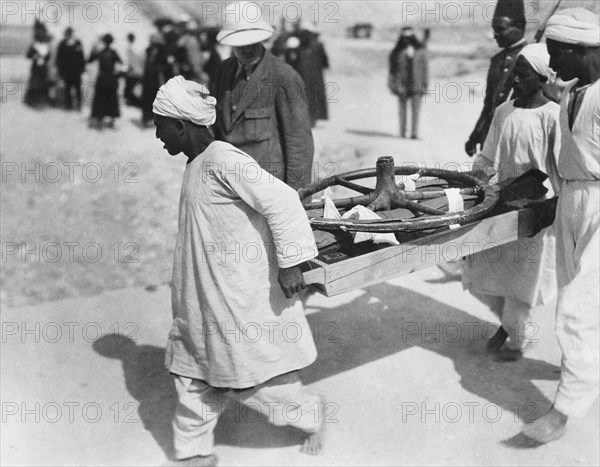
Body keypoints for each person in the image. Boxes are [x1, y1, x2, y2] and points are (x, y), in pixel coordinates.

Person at [152, 76, 325, 466]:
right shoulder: (198, 163)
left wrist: (290, 263)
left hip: (234, 295)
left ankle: (312, 416)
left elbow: (282, 201)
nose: (157, 135)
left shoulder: (223, 160)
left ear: (180, 125)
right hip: (203, 294)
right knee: (193, 369)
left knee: (252, 380)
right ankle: (195, 452)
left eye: (159, 126)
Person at [519, 7, 600, 445]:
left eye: (557, 54)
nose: (552, 64)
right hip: (573, 199)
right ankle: (583, 373)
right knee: (578, 299)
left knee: (577, 308)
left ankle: (563, 410)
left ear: (584, 50)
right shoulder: (574, 91)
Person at [463, 44, 561, 362]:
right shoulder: (504, 111)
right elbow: (488, 154)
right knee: (485, 270)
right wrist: (479, 174)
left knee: (523, 279)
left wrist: (556, 207)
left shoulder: (553, 116)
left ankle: (517, 338)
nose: (515, 80)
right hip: (503, 201)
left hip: (537, 209)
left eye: (523, 74)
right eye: (514, 73)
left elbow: (561, 169)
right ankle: (510, 324)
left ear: (543, 76)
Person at [213, 1, 314, 191]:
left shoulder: (283, 76)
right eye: (240, 44)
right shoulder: (224, 71)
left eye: (252, 41)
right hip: (229, 186)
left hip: (268, 189)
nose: (247, 49)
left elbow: (299, 145)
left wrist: (297, 198)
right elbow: (217, 130)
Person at [465, 0, 527, 156]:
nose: (495, 35)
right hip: (490, 138)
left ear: (519, 27)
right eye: (494, 29)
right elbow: (489, 105)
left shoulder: (533, 59)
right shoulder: (497, 60)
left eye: (501, 29)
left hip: (517, 141)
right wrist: (475, 135)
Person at [283, 21, 330, 127]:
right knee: (312, 97)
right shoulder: (317, 45)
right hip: (314, 76)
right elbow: (325, 62)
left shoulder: (299, 45)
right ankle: (311, 119)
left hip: (304, 75)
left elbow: (291, 60)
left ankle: (306, 119)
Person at [388, 26, 429, 139]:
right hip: (402, 84)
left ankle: (414, 133)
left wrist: (425, 84)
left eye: (409, 37)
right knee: (402, 110)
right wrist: (392, 85)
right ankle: (402, 133)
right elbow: (392, 70)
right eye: (404, 37)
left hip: (417, 84)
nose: (407, 40)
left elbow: (425, 69)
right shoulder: (396, 52)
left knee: (416, 111)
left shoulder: (420, 51)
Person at [88, 33, 122, 129]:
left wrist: (94, 47)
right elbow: (121, 63)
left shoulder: (100, 52)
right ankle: (112, 120)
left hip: (102, 77)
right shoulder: (113, 52)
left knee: (100, 99)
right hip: (111, 77)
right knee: (112, 99)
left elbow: (90, 60)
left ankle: (100, 120)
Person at [141, 33, 169, 127]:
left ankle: (151, 118)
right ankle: (147, 118)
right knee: (149, 98)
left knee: (152, 98)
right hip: (151, 78)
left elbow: (164, 65)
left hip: (154, 78)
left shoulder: (160, 51)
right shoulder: (150, 51)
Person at [56, 26, 86, 110]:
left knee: (77, 88)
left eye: (70, 33)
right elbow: (59, 59)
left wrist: (83, 69)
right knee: (67, 88)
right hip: (66, 71)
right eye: (67, 33)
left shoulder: (78, 43)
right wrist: (60, 72)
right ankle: (68, 105)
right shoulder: (62, 44)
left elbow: (82, 57)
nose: (69, 35)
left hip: (76, 71)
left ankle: (78, 105)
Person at [24, 20, 52, 108]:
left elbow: (48, 57)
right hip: (36, 68)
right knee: (35, 84)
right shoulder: (34, 45)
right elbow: (28, 55)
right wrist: (35, 56)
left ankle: (43, 101)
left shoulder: (46, 46)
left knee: (43, 84)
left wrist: (44, 59)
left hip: (43, 68)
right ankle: (32, 102)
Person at [123, 33, 144, 107]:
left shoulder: (130, 48)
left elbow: (131, 61)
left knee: (130, 89)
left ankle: (135, 103)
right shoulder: (137, 47)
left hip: (133, 72)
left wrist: (129, 69)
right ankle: (135, 102)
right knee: (134, 88)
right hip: (138, 71)